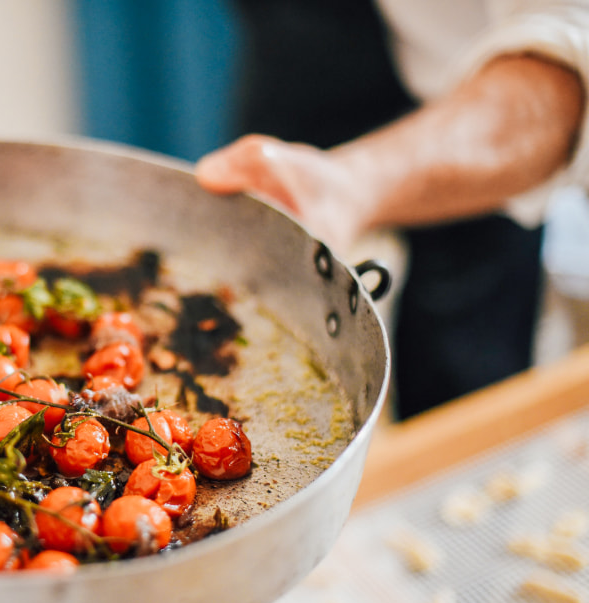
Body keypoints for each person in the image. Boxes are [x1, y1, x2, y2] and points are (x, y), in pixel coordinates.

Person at [194, 0, 589, 420]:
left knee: (457, 401)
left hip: (476, 122)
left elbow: (574, 37)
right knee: (252, 348)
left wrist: (347, 185)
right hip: (297, 55)